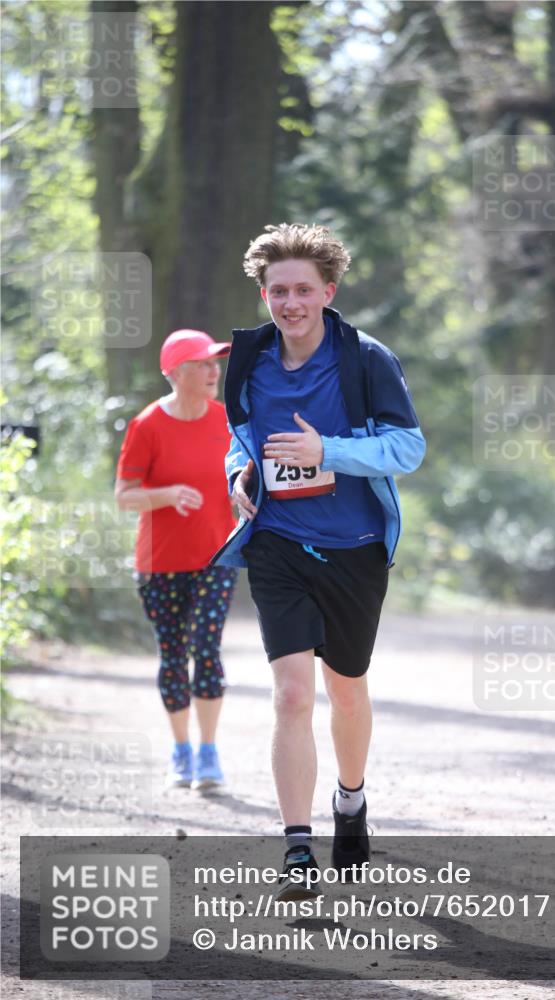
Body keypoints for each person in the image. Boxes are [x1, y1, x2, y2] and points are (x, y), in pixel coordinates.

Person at [211, 224, 425, 898]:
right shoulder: (248, 361)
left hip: (354, 549)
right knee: (292, 694)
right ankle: (297, 850)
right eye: (278, 291)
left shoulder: (365, 360)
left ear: (328, 291)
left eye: (303, 289)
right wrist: (240, 476)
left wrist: (327, 453)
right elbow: (237, 443)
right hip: (277, 543)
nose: (290, 302)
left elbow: (407, 448)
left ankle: (351, 800)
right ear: (264, 294)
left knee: (346, 690)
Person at [115, 329, 237, 791]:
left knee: (206, 649)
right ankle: (181, 749)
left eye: (215, 363)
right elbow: (124, 497)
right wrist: (165, 495)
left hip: (216, 558)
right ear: (176, 373)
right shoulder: (146, 426)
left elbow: (242, 482)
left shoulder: (227, 422)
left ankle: (208, 752)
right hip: (159, 563)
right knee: (173, 655)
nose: (214, 371)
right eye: (204, 364)